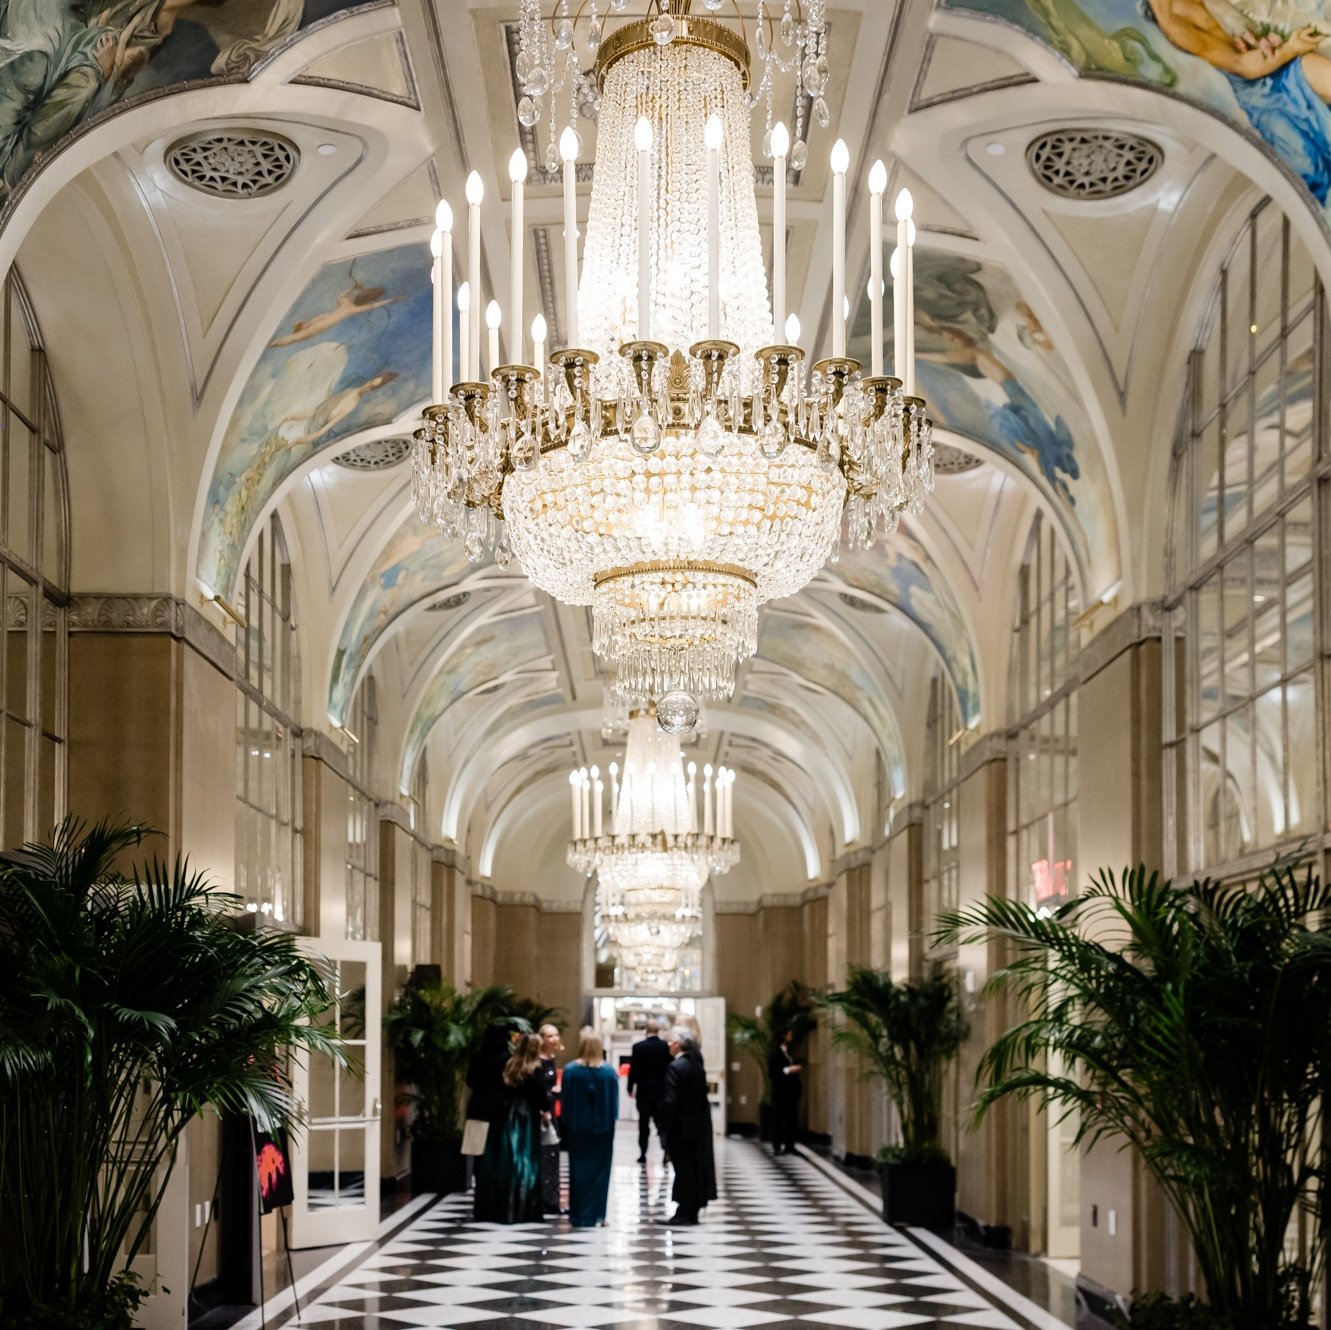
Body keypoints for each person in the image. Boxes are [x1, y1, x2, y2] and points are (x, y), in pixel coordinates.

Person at [473, 1032, 550, 1223]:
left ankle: (500, 1205)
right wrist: (546, 1109)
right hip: (526, 1117)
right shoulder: (535, 1068)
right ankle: (523, 1207)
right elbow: (541, 1098)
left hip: (506, 1115)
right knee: (525, 1161)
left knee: (505, 1160)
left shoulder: (510, 1065)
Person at [560, 1027, 619, 1227]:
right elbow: (613, 1105)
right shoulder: (609, 1073)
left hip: (577, 1129)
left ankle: (578, 1215)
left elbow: (566, 1102)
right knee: (601, 1172)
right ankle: (598, 1215)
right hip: (602, 1130)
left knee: (577, 1171)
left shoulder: (571, 1071)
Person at [660, 1026, 717, 1226]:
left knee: (683, 1170)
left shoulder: (676, 1067)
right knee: (692, 1168)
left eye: (670, 1041)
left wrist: (664, 1128)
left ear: (677, 1044)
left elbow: (670, 1102)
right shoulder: (696, 1065)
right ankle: (690, 1210)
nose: (667, 1044)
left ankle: (683, 1212)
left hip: (680, 1128)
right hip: (696, 1127)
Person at [627, 1019, 672, 1163]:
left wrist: (630, 1087)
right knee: (662, 1124)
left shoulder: (638, 1047)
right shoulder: (666, 1046)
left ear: (646, 1030)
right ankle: (666, 1151)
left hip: (644, 1091)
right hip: (662, 1091)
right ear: (658, 1031)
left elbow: (633, 1070)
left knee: (643, 1125)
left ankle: (642, 1154)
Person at [537, 1023, 564, 1213]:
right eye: (549, 1036)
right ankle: (542, 1199)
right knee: (543, 1155)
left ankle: (551, 1199)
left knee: (553, 1155)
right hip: (540, 1112)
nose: (554, 1039)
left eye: (556, 1035)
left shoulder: (552, 1058)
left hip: (550, 1110)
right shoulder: (537, 1060)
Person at [767, 1027, 803, 1156]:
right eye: (789, 1035)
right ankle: (777, 1146)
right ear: (783, 1036)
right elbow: (772, 1073)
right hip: (780, 1092)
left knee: (791, 1119)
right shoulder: (775, 1053)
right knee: (778, 1118)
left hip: (791, 1092)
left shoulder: (788, 1052)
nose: (791, 1037)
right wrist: (788, 1070)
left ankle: (790, 1145)